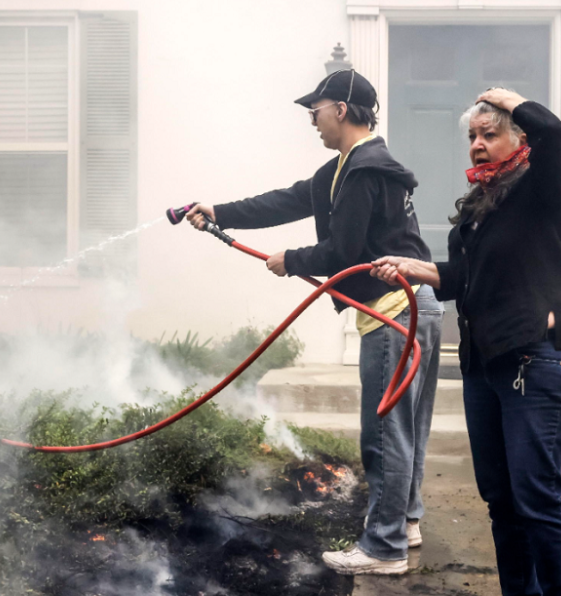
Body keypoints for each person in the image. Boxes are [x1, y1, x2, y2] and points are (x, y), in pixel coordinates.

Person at [185, 69, 443, 576]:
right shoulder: (347, 166)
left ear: (341, 110)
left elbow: (343, 251)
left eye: (316, 110)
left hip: (394, 314)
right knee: (407, 429)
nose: (312, 120)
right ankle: (405, 522)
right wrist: (218, 211)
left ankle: (384, 548)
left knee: (386, 434)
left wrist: (292, 259)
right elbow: (287, 199)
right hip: (416, 307)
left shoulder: (364, 170)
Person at [371, 88, 561, 596]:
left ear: (520, 138)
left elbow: (557, 136)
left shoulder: (543, 190)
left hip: (540, 357)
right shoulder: (482, 206)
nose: (477, 144)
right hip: (486, 366)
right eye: (472, 135)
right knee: (501, 498)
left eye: (490, 134)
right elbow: (466, 277)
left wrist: (509, 100)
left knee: (535, 496)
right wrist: (414, 267)